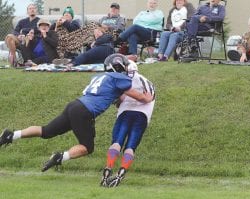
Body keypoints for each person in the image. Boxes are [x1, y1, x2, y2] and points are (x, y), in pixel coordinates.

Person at [0, 53, 154, 173]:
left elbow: (117, 98)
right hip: (84, 112)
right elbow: (139, 96)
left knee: (46, 131)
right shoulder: (119, 78)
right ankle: (61, 157)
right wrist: (147, 97)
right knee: (87, 147)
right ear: (119, 67)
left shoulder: (100, 77)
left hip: (75, 105)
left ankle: (11, 135)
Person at [100, 60, 155, 188]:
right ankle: (121, 172)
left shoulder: (122, 80)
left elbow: (119, 101)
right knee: (130, 147)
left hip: (125, 113)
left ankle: (107, 170)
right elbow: (149, 99)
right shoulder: (147, 82)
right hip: (142, 115)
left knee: (117, 142)